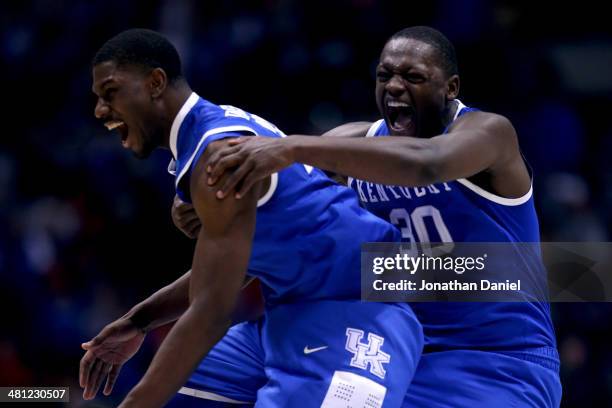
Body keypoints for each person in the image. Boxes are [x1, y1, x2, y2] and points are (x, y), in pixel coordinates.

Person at [204, 26, 562, 407]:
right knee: (193, 372)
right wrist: (209, 206)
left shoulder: (489, 134)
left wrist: (291, 147)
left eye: (413, 77)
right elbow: (261, 237)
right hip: (389, 348)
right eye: (384, 75)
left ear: (451, 87)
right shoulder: (350, 146)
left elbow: (429, 163)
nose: (393, 86)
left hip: (496, 360)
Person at [79, 28, 423, 407]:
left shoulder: (218, 152)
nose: (99, 110)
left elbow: (211, 311)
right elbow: (233, 266)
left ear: (156, 83)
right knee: (175, 386)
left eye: (110, 93)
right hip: (288, 316)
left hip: (356, 316)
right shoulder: (207, 136)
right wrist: (138, 320)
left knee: (153, 389)